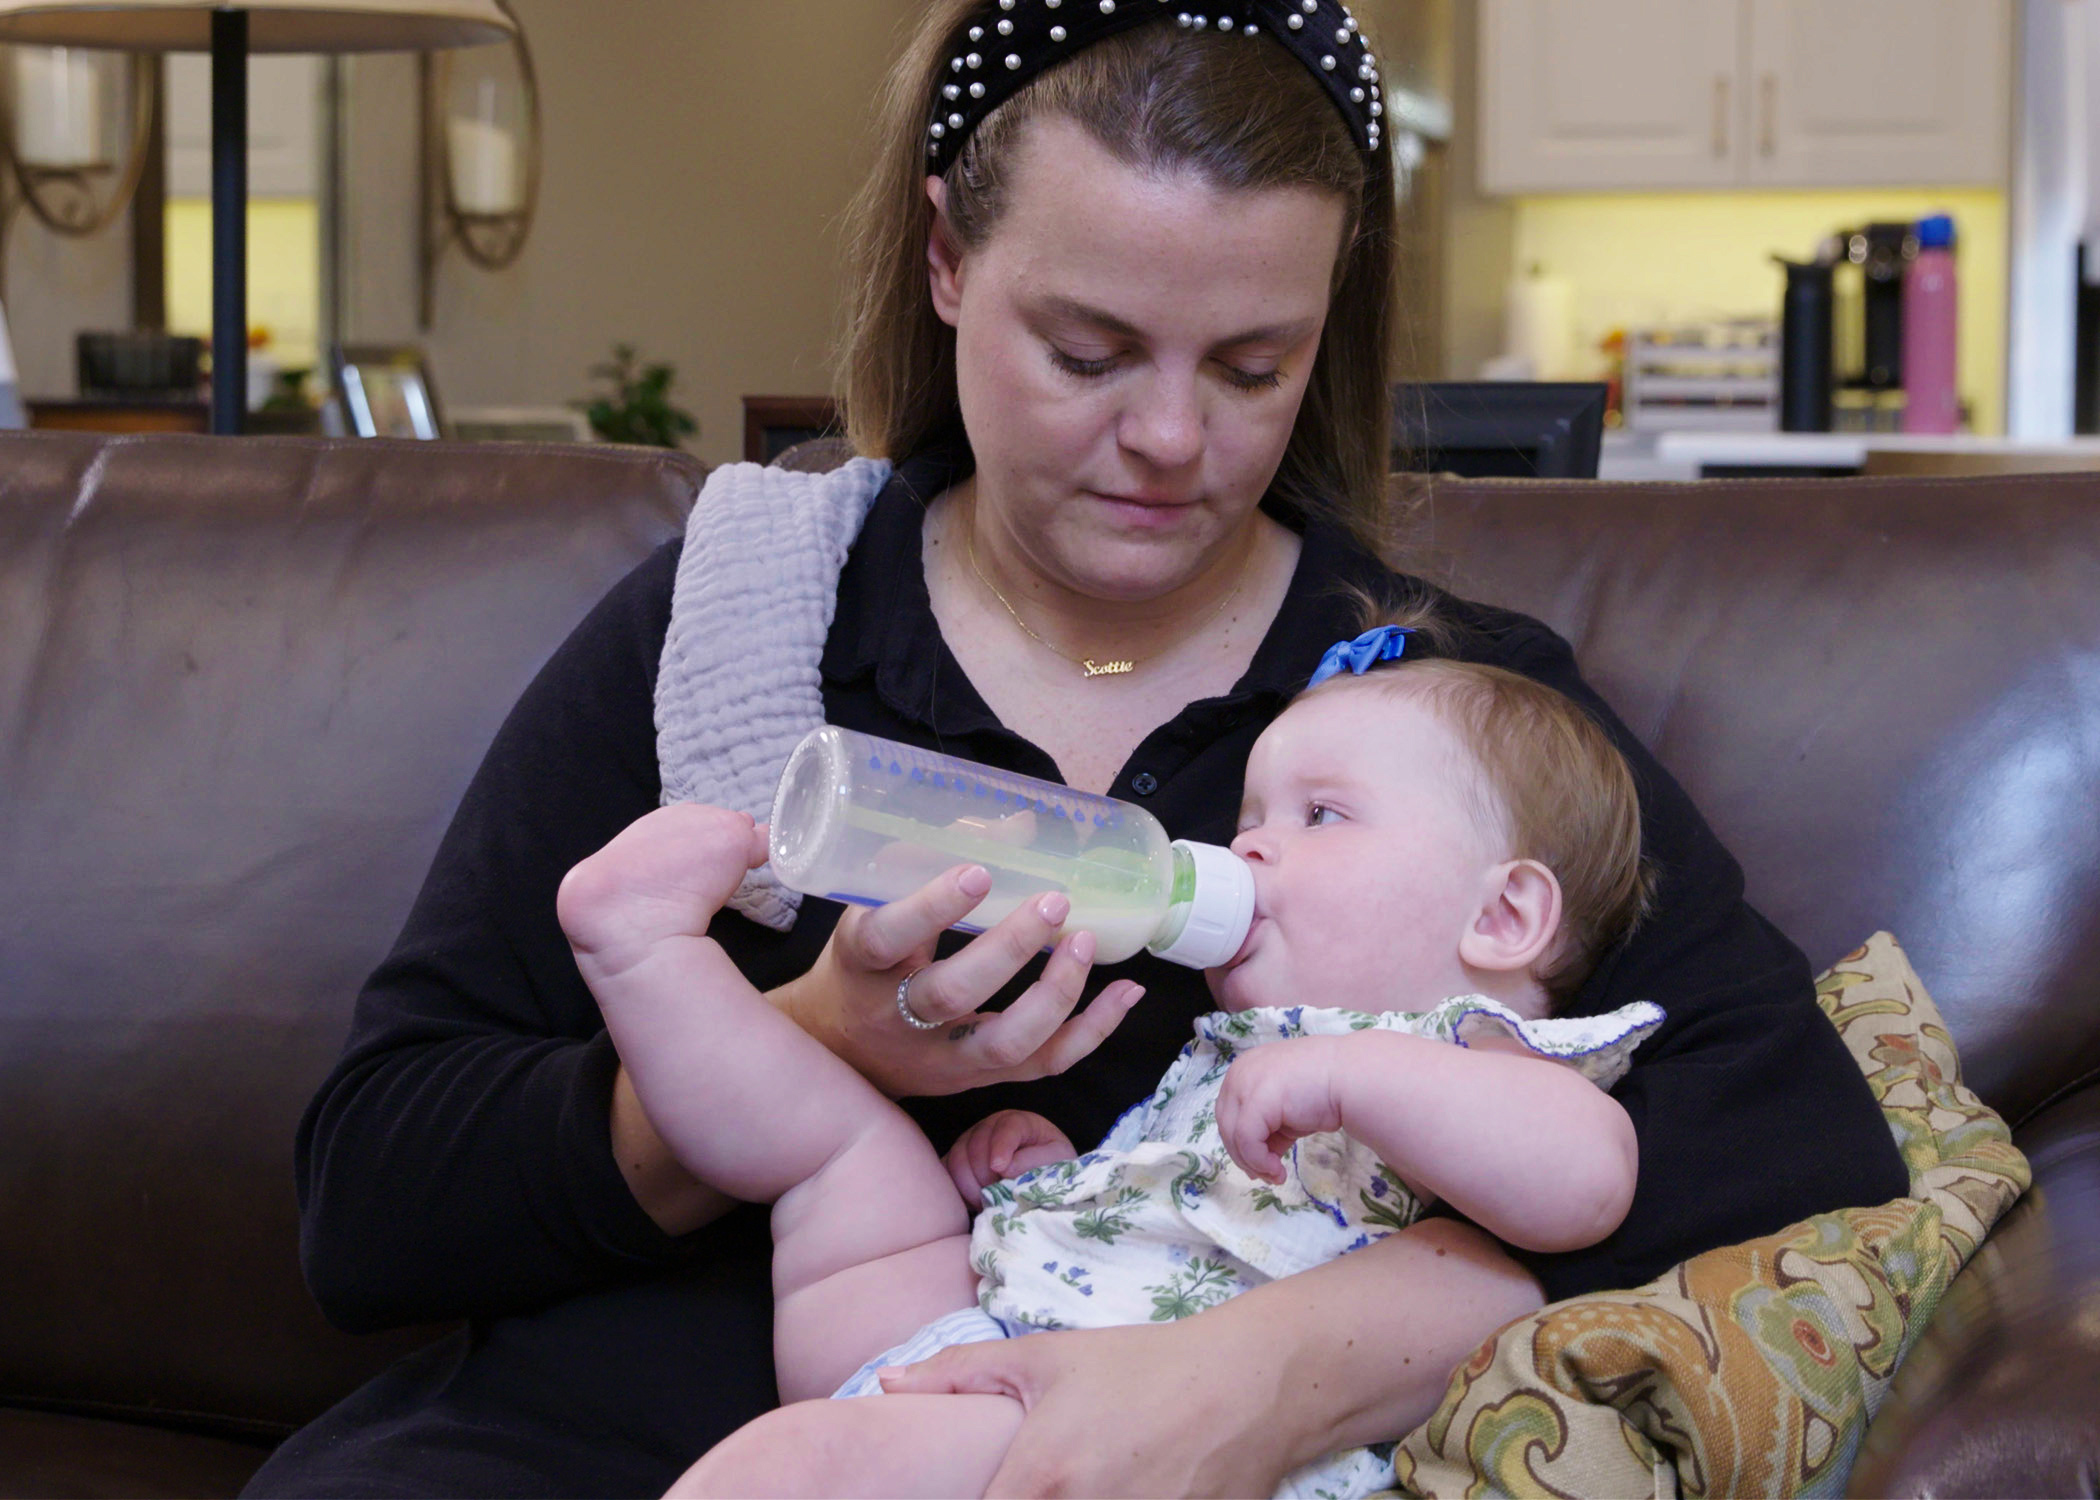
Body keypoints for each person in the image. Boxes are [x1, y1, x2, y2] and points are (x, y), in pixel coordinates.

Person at [249, 4, 1909, 1496]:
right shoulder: (746, 626)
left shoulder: (1431, 715)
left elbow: (1794, 1132)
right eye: (1089, 353)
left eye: (1253, 366)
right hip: (617, 1436)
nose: (1172, 439)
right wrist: (807, 1045)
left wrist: (1276, 1369)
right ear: (947, 263)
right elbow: (372, 1201)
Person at [566, 634, 1667, 1500]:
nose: (1247, 847)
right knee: (843, 1147)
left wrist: (1355, 1078)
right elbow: (1183, 1200)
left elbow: (1586, 1182)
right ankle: (650, 958)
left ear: (1504, 915)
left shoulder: (1467, 1050)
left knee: (796, 1468)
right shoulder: (1244, 1039)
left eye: (1320, 815)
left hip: (1113, 1436)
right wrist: (1059, 1176)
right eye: (1250, 816)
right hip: (966, 1343)